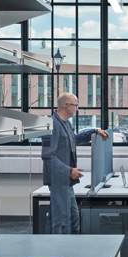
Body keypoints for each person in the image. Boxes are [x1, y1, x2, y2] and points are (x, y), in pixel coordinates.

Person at [41, 93, 109, 234]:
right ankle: (73, 250)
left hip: (63, 180)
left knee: (55, 219)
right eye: (76, 105)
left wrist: (94, 131)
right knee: (72, 217)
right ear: (67, 106)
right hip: (59, 180)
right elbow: (47, 156)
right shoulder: (52, 125)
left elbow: (74, 139)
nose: (77, 109)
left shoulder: (65, 123)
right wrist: (69, 171)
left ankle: (48, 248)